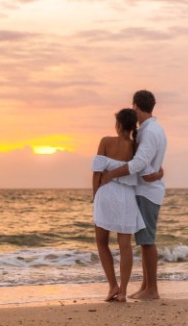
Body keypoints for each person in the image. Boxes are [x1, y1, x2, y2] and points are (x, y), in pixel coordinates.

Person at [101, 90, 167, 300]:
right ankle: (146, 286)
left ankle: (152, 289)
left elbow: (139, 163)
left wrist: (112, 174)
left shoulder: (150, 131)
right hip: (146, 189)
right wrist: (158, 172)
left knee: (147, 240)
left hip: (146, 193)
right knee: (144, 239)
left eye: (133, 107)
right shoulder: (152, 129)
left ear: (136, 107)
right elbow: (149, 160)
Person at [92, 108, 150, 302]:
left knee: (101, 242)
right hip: (126, 195)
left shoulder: (105, 141)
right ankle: (123, 291)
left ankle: (112, 286)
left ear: (118, 124)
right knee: (124, 245)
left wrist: (95, 197)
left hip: (106, 192)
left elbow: (97, 173)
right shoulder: (136, 146)